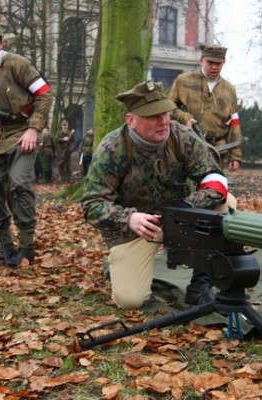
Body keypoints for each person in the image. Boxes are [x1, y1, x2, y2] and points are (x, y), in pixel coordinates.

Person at [81, 80, 235, 310]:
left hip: (181, 218)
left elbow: (215, 178)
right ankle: (116, 263)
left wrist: (187, 208)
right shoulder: (112, 148)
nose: (162, 120)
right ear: (131, 121)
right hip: (138, 230)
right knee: (130, 300)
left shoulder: (181, 136)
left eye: (164, 112)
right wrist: (129, 219)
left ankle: (200, 284)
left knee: (227, 204)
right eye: (153, 116)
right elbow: (91, 204)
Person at [0, 20, 53, 267]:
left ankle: (26, 246)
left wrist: (34, 129)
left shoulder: (17, 64)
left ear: (1, 42)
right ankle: (6, 245)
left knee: (19, 185)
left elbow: (45, 93)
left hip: (21, 135)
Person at [168, 44, 242, 172]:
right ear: (201, 61)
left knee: (212, 189)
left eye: (218, 63)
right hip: (186, 147)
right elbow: (167, 108)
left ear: (223, 63)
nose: (214, 67)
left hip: (217, 151)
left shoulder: (229, 90)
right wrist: (185, 117)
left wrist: (235, 155)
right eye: (210, 62)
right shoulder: (183, 81)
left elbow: (234, 123)